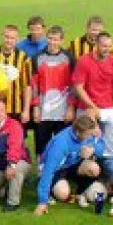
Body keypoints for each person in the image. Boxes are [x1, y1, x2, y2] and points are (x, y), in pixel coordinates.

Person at [33, 116, 105, 215]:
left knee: (94, 169)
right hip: (57, 169)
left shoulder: (87, 132)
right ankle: (49, 190)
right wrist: (42, 202)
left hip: (72, 164)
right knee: (63, 194)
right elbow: (48, 171)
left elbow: (101, 150)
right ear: (78, 133)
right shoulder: (60, 144)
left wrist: (93, 149)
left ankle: (79, 192)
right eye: (88, 135)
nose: (90, 137)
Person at [31, 25, 75, 159]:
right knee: (41, 144)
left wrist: (71, 107)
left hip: (62, 110)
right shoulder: (37, 57)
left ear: (62, 40)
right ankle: (41, 166)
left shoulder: (69, 58)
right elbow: (34, 84)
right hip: (43, 110)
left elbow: (73, 85)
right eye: (50, 38)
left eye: (55, 39)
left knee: (62, 144)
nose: (52, 42)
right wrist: (36, 107)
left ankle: (61, 167)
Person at [72, 32, 113, 120]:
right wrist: (93, 107)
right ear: (96, 44)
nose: (107, 49)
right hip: (86, 108)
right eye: (104, 46)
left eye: (110, 46)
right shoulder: (83, 61)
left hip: (108, 108)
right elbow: (79, 88)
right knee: (87, 128)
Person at [0, 24, 33, 126]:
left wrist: (26, 110)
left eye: (12, 38)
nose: (9, 40)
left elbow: (27, 86)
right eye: (6, 37)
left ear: (17, 40)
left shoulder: (24, 58)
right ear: (2, 36)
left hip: (16, 109)